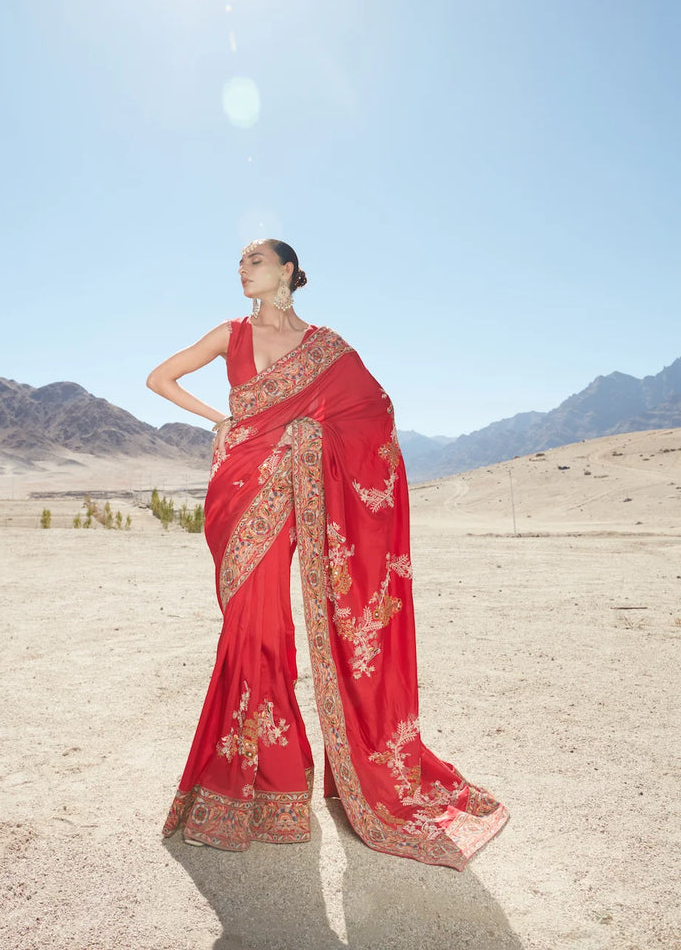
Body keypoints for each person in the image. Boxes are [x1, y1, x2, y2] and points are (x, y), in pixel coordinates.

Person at [146, 239, 508, 869]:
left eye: (254, 261)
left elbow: (374, 412)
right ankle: (250, 782)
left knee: (267, 627)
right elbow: (159, 378)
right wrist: (220, 419)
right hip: (234, 491)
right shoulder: (226, 334)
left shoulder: (326, 349)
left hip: (290, 492)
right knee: (246, 626)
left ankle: (277, 780)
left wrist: (308, 433)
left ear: (287, 271)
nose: (242, 270)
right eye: (239, 263)